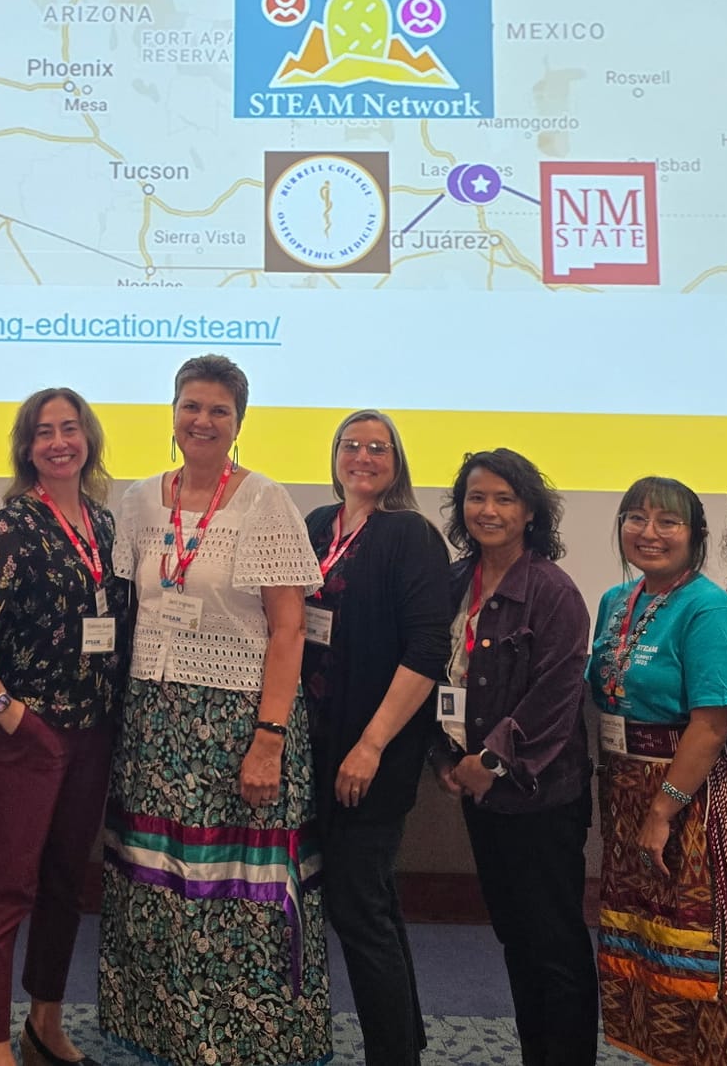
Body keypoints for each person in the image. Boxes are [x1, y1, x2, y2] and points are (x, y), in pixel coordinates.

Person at [100, 354, 331, 1066]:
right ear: (172, 413)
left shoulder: (264, 501)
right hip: (154, 720)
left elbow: (289, 630)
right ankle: (165, 1032)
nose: (202, 421)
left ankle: (248, 1041)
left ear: (239, 422)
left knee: (237, 889)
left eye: (218, 411)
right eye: (191, 407)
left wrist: (269, 739)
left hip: (239, 723)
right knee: (160, 881)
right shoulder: (138, 501)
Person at [0, 388, 130, 1066]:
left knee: (66, 886)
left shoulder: (104, 524)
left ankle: (45, 1024)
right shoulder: (17, 524)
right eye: (44, 432)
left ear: (88, 438)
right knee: (6, 889)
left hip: (93, 732)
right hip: (29, 737)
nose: (59, 442)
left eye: (69, 428)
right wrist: (6, 710)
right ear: (27, 447)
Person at [589, 477, 727, 1066]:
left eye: (668, 521)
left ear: (695, 535)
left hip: (691, 797)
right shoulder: (617, 601)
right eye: (635, 518)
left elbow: (713, 726)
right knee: (643, 941)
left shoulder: (708, 608)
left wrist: (663, 809)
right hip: (626, 786)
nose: (649, 532)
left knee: (696, 947)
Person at [429, 447, 597, 1066]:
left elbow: (556, 695)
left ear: (530, 512)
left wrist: (492, 761)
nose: (489, 510)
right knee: (516, 940)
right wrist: (444, 758)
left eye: (505, 499)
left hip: (539, 795)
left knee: (554, 944)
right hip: (478, 790)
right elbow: (437, 672)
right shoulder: (455, 582)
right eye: (477, 497)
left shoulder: (551, 590)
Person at [300, 410, 451, 1066]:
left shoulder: (410, 535)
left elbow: (426, 650)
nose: (362, 456)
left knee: (357, 907)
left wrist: (371, 744)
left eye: (378, 448)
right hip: (316, 744)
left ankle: (392, 1053)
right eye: (351, 445)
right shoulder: (316, 526)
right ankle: (401, 1042)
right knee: (372, 904)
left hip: (373, 750)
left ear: (397, 462)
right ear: (335, 455)